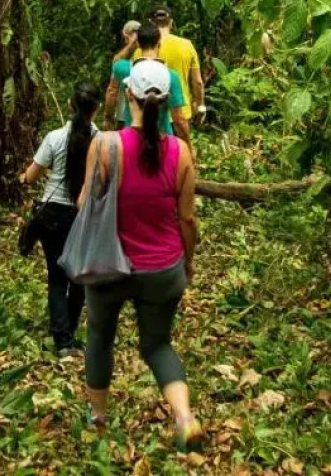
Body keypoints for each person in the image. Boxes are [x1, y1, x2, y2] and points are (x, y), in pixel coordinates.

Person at [81, 60, 202, 449]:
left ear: (128, 95)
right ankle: (184, 419)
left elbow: (85, 202)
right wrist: (189, 261)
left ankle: (98, 420)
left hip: (108, 265)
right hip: (163, 267)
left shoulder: (104, 145)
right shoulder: (181, 153)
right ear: (166, 101)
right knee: (158, 345)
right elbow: (187, 219)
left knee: (100, 337)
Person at [20, 82, 100, 355]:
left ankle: (63, 341)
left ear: (70, 105)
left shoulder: (54, 138)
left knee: (57, 277)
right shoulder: (101, 141)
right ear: (96, 109)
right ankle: (68, 333)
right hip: (84, 215)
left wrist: (22, 177)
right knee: (79, 278)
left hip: (53, 214)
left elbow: (31, 175)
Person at [104, 23, 185, 134]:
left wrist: (108, 117)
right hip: (162, 137)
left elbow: (116, 63)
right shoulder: (171, 76)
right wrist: (187, 146)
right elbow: (178, 119)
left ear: (138, 43)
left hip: (132, 135)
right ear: (159, 42)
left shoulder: (124, 69)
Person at [152, 8, 205, 144]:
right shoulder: (186, 45)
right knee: (180, 158)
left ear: (151, 23)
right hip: (181, 112)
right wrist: (199, 105)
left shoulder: (144, 47)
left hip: (152, 115)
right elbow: (197, 82)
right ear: (171, 23)